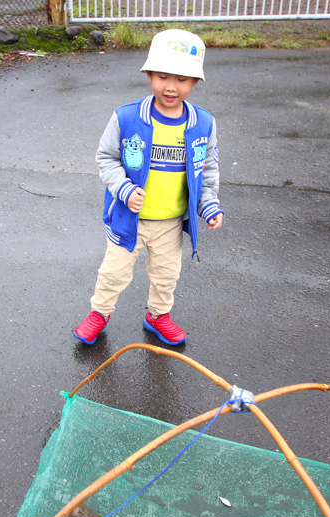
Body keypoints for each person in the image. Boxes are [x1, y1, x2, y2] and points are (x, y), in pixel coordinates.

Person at [74, 29, 224, 346]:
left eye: (182, 79)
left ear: (195, 82)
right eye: (162, 76)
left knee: (166, 275)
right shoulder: (127, 118)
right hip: (129, 219)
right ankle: (99, 313)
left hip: (171, 222)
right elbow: (106, 158)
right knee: (113, 273)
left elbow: (207, 169)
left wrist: (208, 205)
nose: (171, 87)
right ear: (149, 75)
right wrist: (125, 190)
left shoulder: (203, 124)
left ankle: (158, 315)